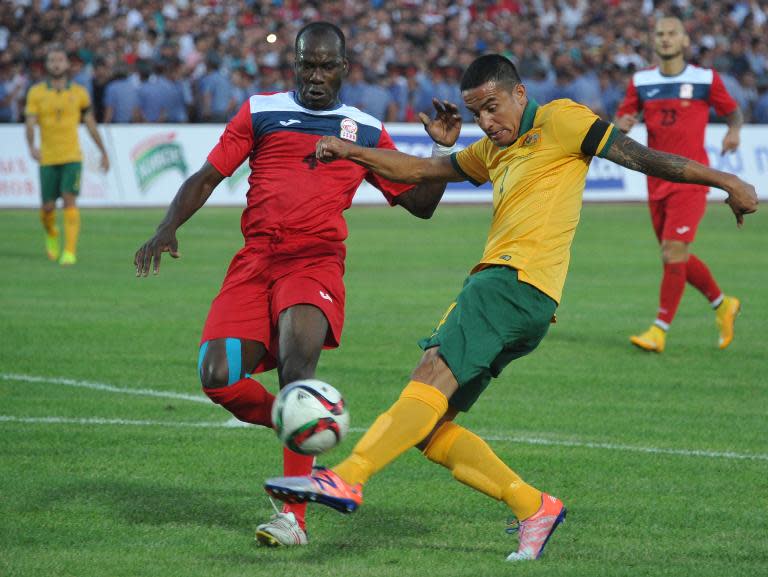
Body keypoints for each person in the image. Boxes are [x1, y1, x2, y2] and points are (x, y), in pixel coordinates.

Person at [264, 54, 758, 562]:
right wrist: (351, 151)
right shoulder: (492, 150)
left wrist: (728, 181)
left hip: (511, 280)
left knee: (430, 374)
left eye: (493, 108)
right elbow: (420, 170)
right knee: (431, 432)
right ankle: (533, 506)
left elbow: (641, 156)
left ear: (520, 93)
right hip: (527, 299)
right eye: (478, 113)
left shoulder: (562, 120)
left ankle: (346, 478)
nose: (486, 122)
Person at [133, 22, 458, 548]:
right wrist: (167, 226)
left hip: (315, 262)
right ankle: (306, 421)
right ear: (295, 65)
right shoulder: (261, 110)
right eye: (307, 64)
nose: (316, 76)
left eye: (327, 66)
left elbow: (419, 205)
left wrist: (440, 155)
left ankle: (293, 518)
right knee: (216, 377)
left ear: (345, 68)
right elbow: (209, 175)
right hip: (255, 260)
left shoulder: (365, 130)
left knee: (297, 365)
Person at [615, 17, 745, 353]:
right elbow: (622, 119)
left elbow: (732, 111)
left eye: (672, 33)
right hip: (655, 178)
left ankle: (659, 331)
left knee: (673, 252)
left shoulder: (704, 78)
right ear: (653, 41)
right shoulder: (641, 81)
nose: (666, 39)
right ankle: (723, 304)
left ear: (685, 41)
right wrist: (623, 123)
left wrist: (733, 131)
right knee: (674, 256)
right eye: (660, 34)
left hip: (691, 178)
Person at [25, 44, 110, 266]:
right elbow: (30, 123)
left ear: (67, 64)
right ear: (47, 65)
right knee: (47, 208)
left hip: (72, 157)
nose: (56, 64)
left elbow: (90, 124)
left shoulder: (79, 93)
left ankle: (69, 251)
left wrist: (103, 151)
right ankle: (51, 232)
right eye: (52, 60)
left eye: (60, 60)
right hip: (48, 158)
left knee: (70, 200)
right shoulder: (36, 92)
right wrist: (31, 145)